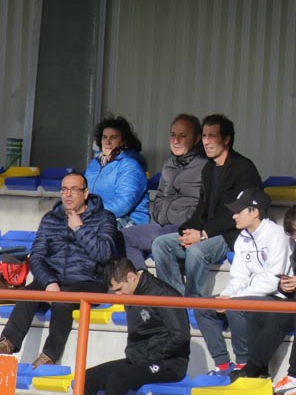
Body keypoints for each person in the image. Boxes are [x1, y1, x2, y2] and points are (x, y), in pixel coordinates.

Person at [0, 172, 119, 367]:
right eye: (64, 189)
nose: (68, 194)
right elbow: (36, 256)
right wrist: (49, 282)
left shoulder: (104, 218)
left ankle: (49, 356)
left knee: (62, 301)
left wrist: (79, 229)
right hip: (54, 280)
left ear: (85, 193)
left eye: (74, 189)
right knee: (28, 294)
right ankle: (7, 344)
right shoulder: (50, 219)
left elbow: (104, 254)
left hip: (89, 281)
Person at [72, 258, 191, 395]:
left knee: (118, 379)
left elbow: (180, 336)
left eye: (119, 289)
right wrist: (138, 355)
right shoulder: (131, 294)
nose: (118, 295)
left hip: (168, 363)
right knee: (87, 377)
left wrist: (149, 355)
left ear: (131, 277)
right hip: (140, 359)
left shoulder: (163, 293)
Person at [152, 114, 262, 298]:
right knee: (161, 244)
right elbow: (202, 208)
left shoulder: (243, 168)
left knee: (196, 251)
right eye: (204, 136)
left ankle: (193, 303)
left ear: (226, 140)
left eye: (212, 136)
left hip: (231, 233)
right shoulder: (209, 168)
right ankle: (173, 301)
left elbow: (239, 214)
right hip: (207, 231)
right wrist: (187, 231)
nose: (206, 141)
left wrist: (203, 235)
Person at [235, 204, 296, 395]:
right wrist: (285, 285)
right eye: (294, 239)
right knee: (265, 313)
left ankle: (293, 376)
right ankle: (256, 369)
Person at [194, 189, 291, 375]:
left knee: (235, 307)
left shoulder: (277, 235)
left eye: (239, 211)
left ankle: (244, 363)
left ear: (255, 212)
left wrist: (234, 299)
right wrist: (226, 295)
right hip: (249, 296)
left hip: (278, 298)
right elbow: (238, 277)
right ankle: (223, 365)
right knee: (202, 307)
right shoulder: (242, 238)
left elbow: (274, 281)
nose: (234, 216)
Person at [121, 114, 206, 270]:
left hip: (187, 228)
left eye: (183, 136)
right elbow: (160, 195)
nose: (176, 140)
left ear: (196, 139)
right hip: (163, 225)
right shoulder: (169, 163)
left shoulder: (206, 165)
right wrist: (160, 214)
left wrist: (182, 218)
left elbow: (206, 206)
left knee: (159, 238)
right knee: (124, 236)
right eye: (173, 135)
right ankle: (142, 279)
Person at [84, 115, 149, 228]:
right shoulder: (94, 165)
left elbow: (123, 204)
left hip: (127, 223)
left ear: (123, 141)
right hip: (95, 217)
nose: (107, 142)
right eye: (104, 137)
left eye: (113, 137)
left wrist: (89, 212)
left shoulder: (130, 165)